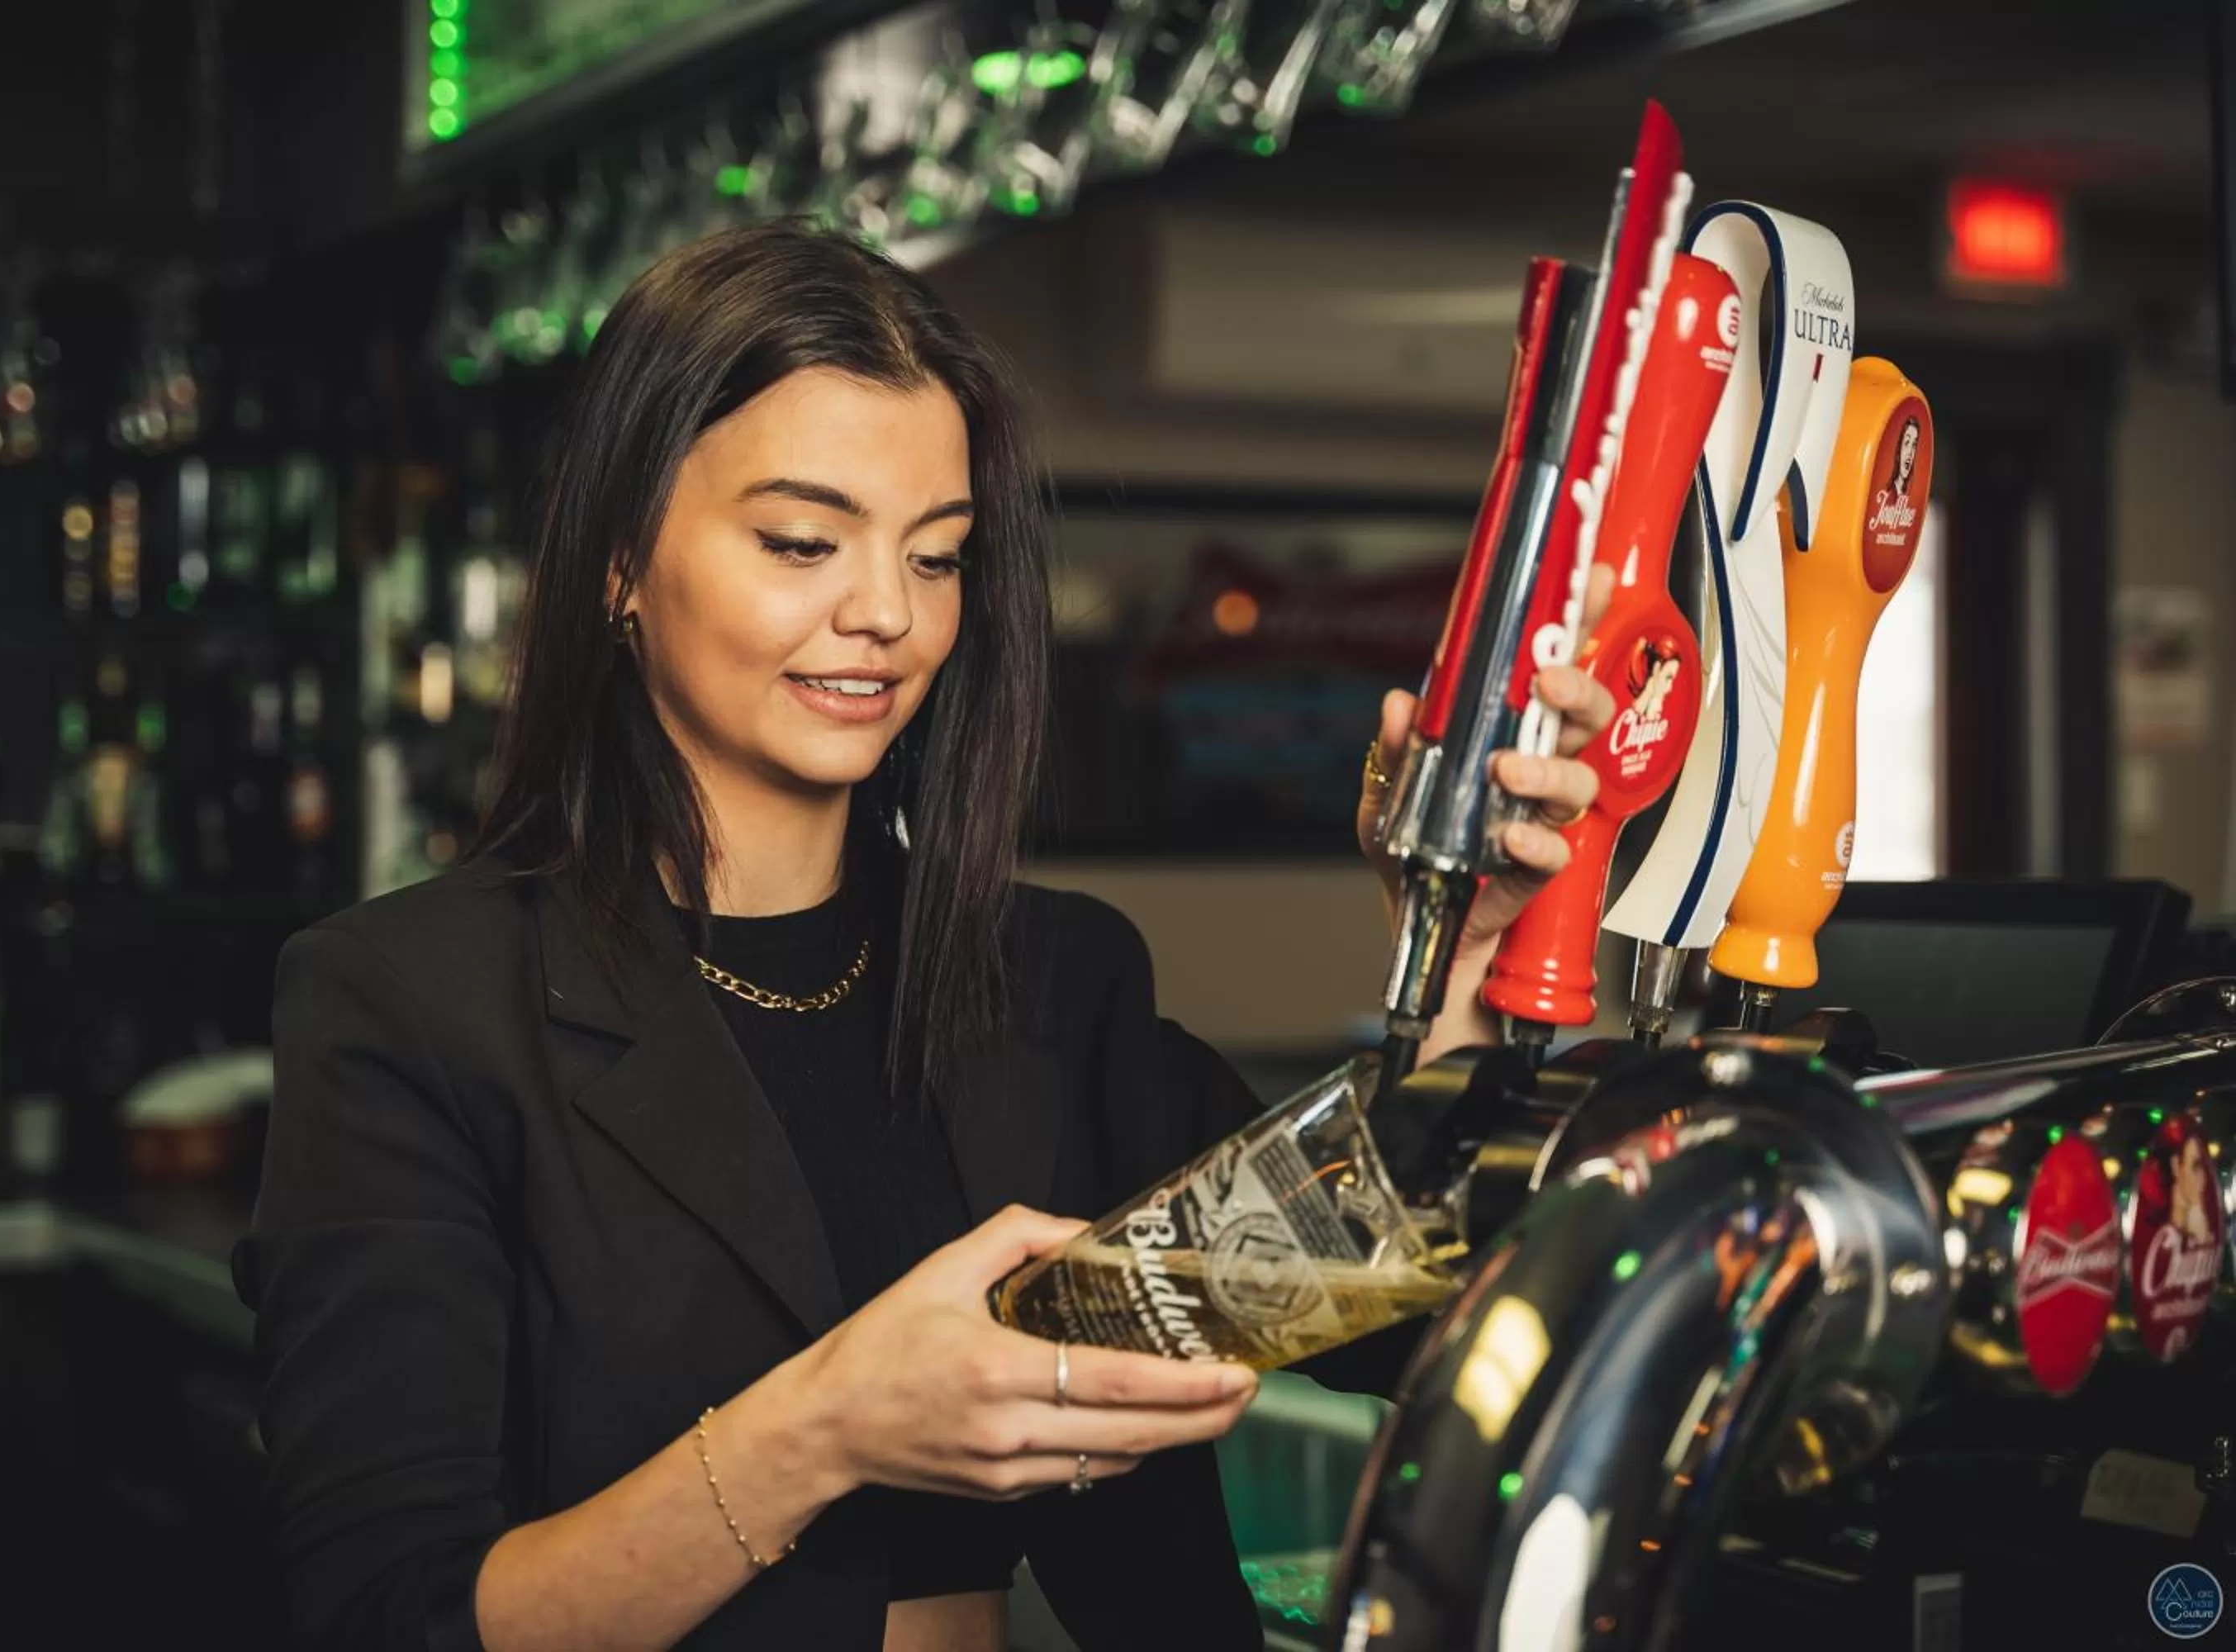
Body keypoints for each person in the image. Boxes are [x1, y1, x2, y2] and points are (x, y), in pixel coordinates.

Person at [233, 219, 1614, 1652]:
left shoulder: (1055, 984)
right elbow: (391, 1617)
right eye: (801, 543)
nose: (888, 614)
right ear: (619, 560)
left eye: (938, 557)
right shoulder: (411, 1006)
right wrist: (825, 1425)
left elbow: (1403, 1310)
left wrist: (1457, 963)